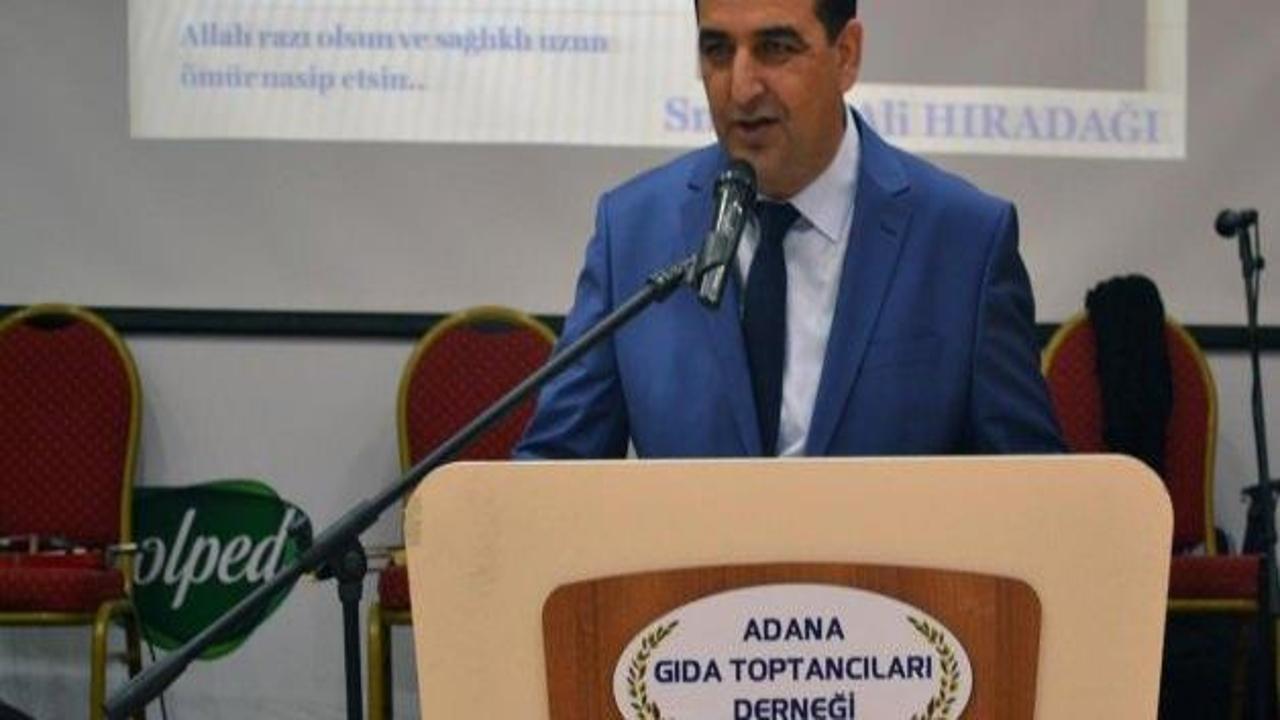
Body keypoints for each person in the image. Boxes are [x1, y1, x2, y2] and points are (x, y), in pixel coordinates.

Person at [516, 0, 1063, 458]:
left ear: (846, 55)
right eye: (717, 50)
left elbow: (1033, 495)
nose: (740, 89)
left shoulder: (965, 242)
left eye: (775, 48)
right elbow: (553, 474)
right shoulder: (633, 232)